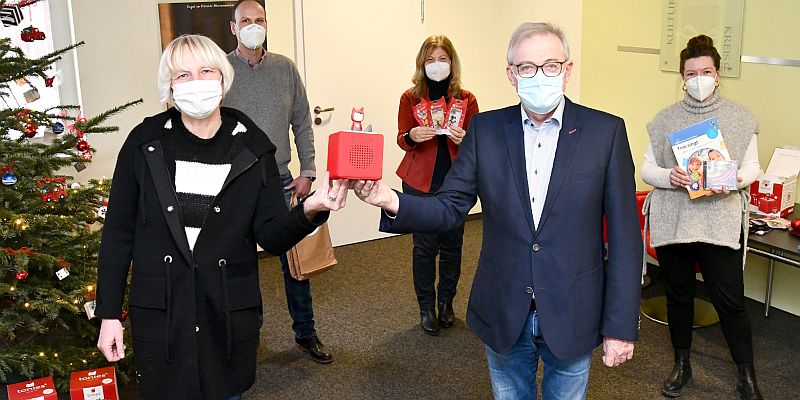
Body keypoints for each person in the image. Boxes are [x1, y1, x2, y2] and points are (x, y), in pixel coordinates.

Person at [354, 22, 642, 399]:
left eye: (551, 65)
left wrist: (620, 325)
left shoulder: (605, 133)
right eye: (527, 67)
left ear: (567, 70)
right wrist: (389, 199)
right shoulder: (486, 130)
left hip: (574, 308)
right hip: (505, 306)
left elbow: (625, 239)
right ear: (511, 75)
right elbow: (449, 206)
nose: (539, 76)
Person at [94, 34, 349, 400]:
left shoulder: (252, 146)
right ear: (169, 85)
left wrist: (312, 208)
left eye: (205, 71)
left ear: (223, 78)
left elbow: (272, 235)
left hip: (226, 313)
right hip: (163, 314)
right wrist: (109, 316)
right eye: (182, 75)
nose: (195, 82)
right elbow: (118, 234)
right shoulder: (144, 142)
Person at [642, 34, 763, 399]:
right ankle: (682, 364)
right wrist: (671, 176)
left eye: (706, 72)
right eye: (691, 73)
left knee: (731, 302)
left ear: (717, 74)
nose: (699, 79)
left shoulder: (740, 117)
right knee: (679, 296)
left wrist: (732, 179)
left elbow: (753, 167)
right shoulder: (665, 119)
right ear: (683, 77)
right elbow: (647, 169)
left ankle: (747, 376)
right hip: (675, 220)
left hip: (719, 221)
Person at [223, 0, 332, 363]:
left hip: (280, 181)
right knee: (240, 264)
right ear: (233, 28)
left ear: (266, 25)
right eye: (245, 21)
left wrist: (308, 171)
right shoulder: (220, 70)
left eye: (259, 20)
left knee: (295, 262)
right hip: (234, 184)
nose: (253, 26)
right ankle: (248, 335)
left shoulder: (285, 68)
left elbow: (302, 121)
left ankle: (306, 332)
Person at [396, 35, 479, 336]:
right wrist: (412, 136)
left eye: (442, 59)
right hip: (420, 183)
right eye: (431, 59)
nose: (437, 65)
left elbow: (478, 142)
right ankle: (426, 308)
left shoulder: (467, 99)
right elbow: (401, 138)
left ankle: (446, 303)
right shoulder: (410, 98)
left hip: (457, 183)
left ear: (452, 62)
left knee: (452, 246)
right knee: (424, 247)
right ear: (422, 63)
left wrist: (466, 139)